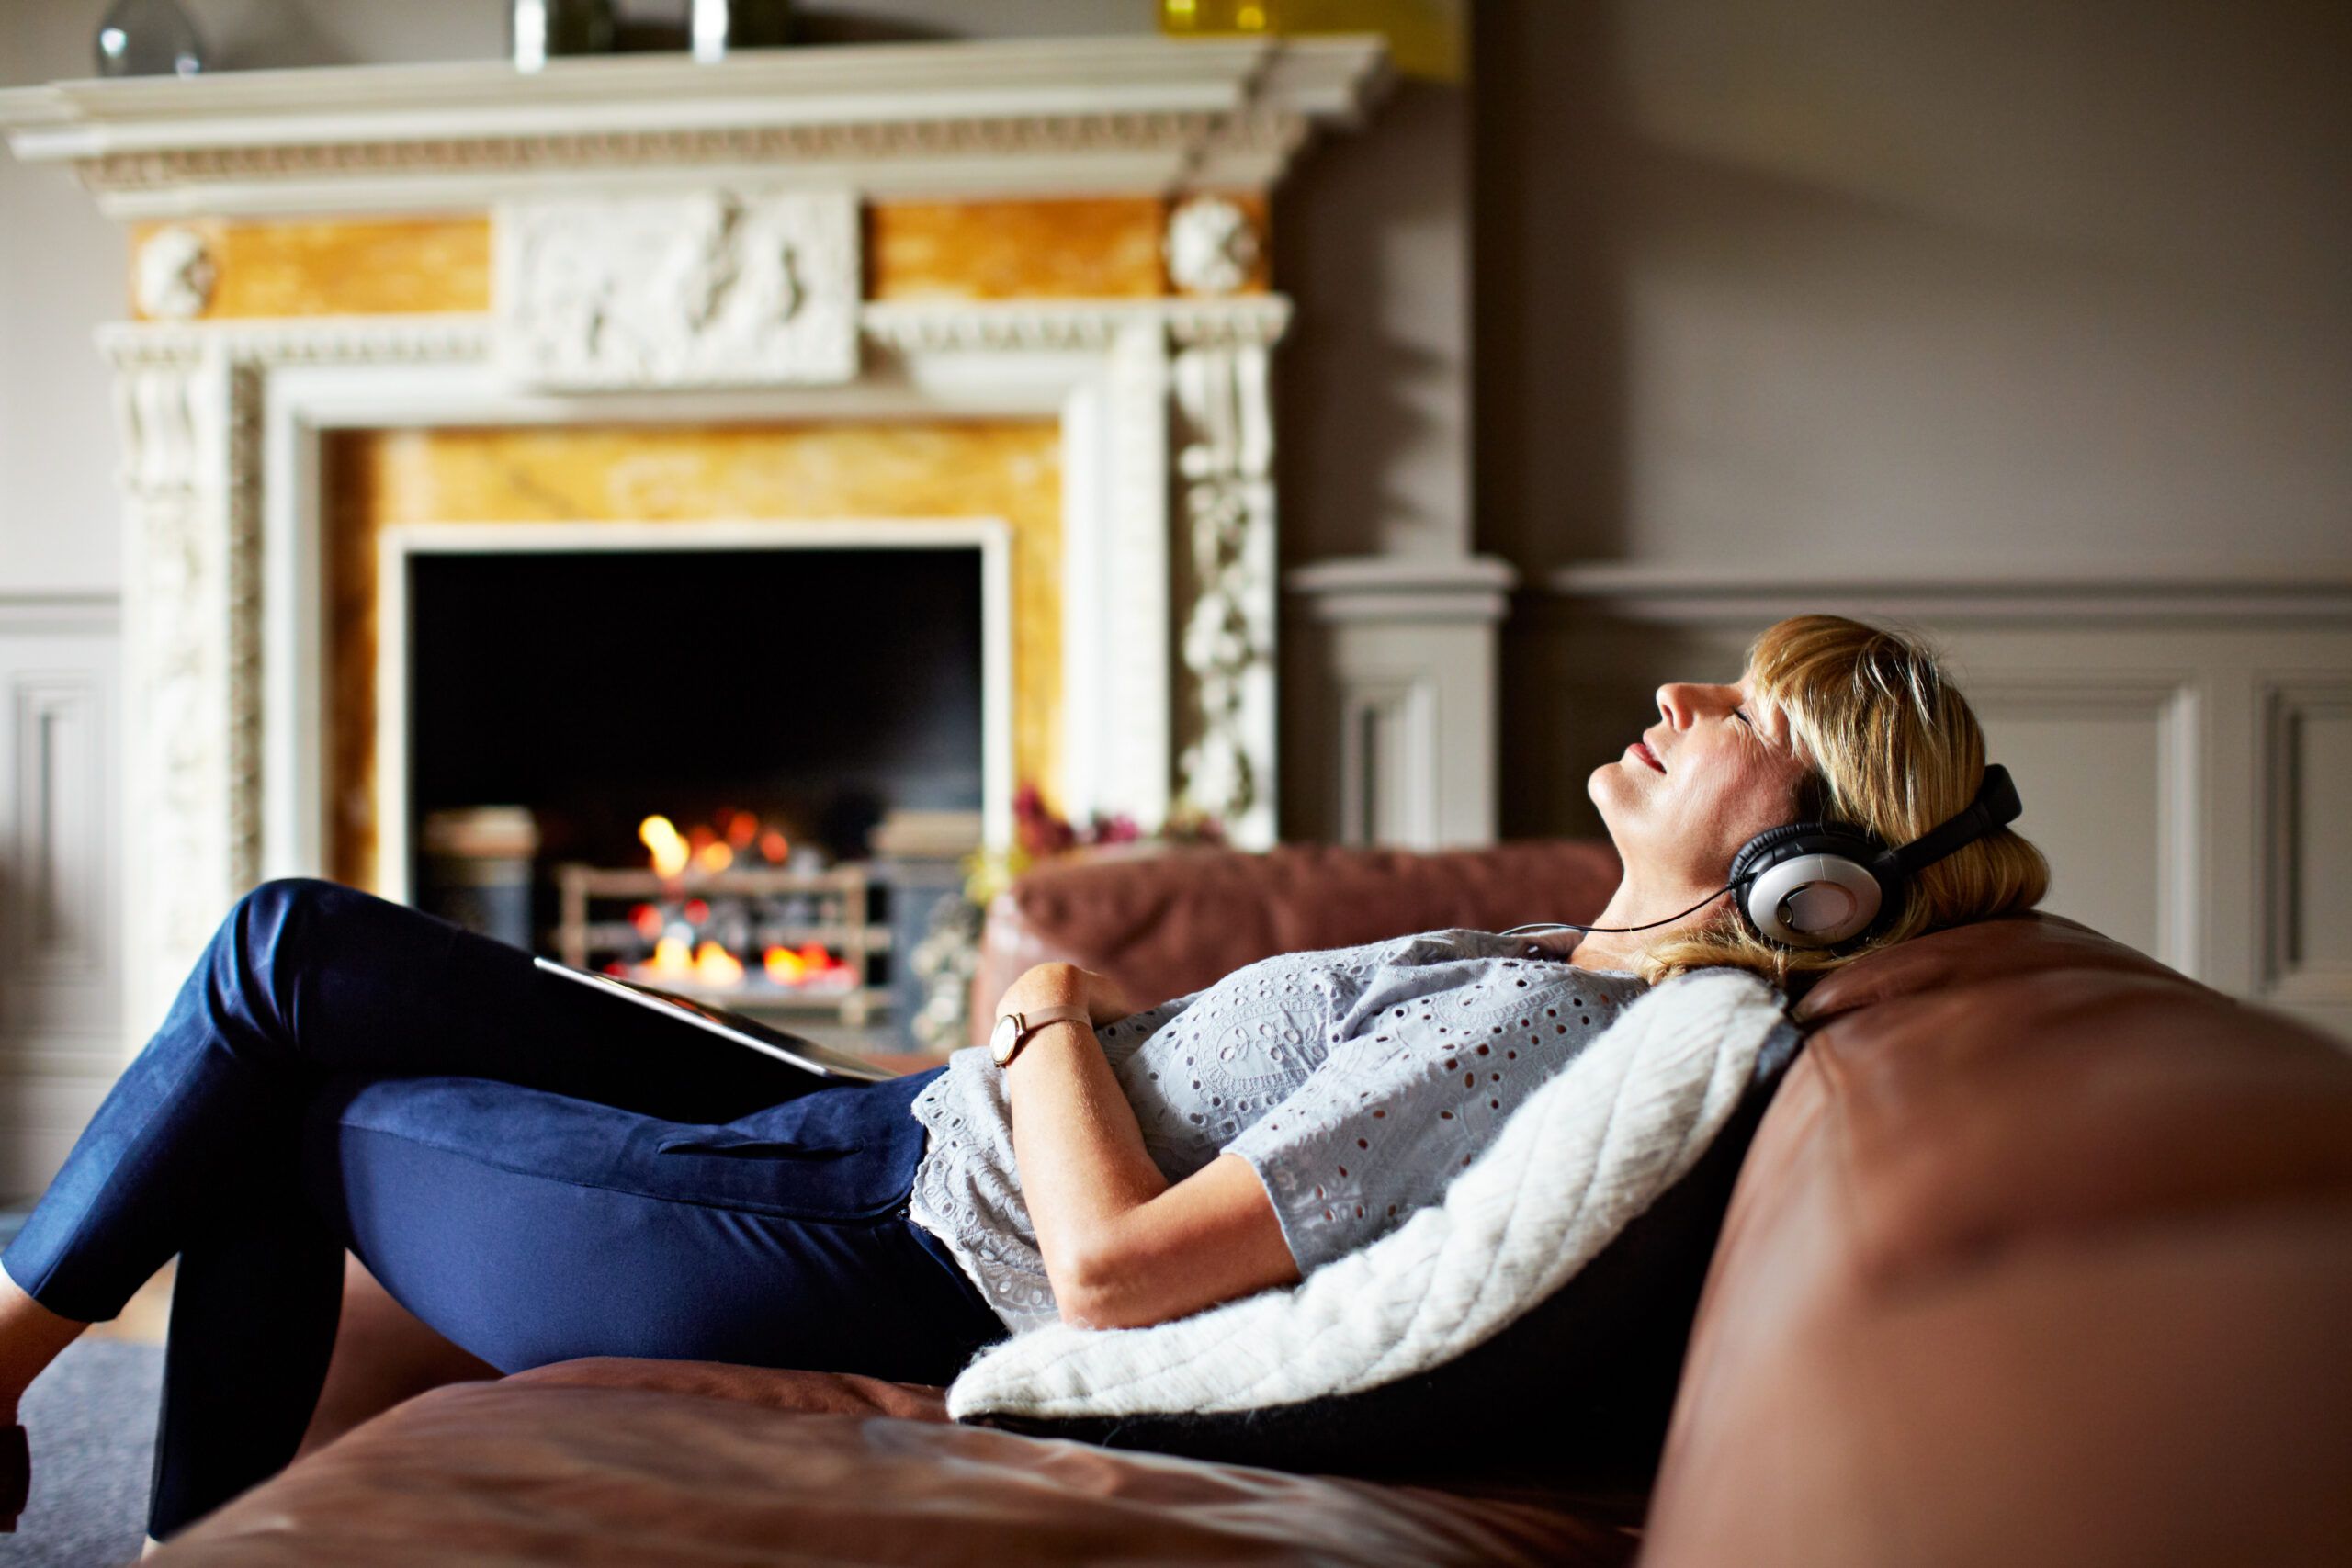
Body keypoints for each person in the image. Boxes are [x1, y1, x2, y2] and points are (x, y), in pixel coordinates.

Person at [0, 613, 2049, 1544]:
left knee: (283, 1082)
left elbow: (1122, 1264)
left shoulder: (1546, 1026)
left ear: (1810, 873)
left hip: (876, 1232)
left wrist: (1052, 1005)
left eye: (1746, 710)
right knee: (295, 945)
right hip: (882, 1122)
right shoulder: (1562, 966)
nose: (1680, 696)